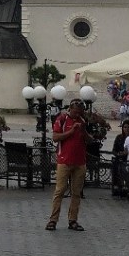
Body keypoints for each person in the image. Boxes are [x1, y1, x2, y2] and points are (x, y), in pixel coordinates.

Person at [46, 98, 88, 232]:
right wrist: (71, 131)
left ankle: (73, 220)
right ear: (70, 109)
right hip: (64, 161)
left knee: (76, 193)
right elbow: (55, 137)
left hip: (80, 162)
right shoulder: (62, 119)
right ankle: (53, 220)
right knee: (60, 191)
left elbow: (88, 140)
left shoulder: (82, 121)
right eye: (76, 112)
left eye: (80, 112)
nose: (77, 114)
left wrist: (84, 132)